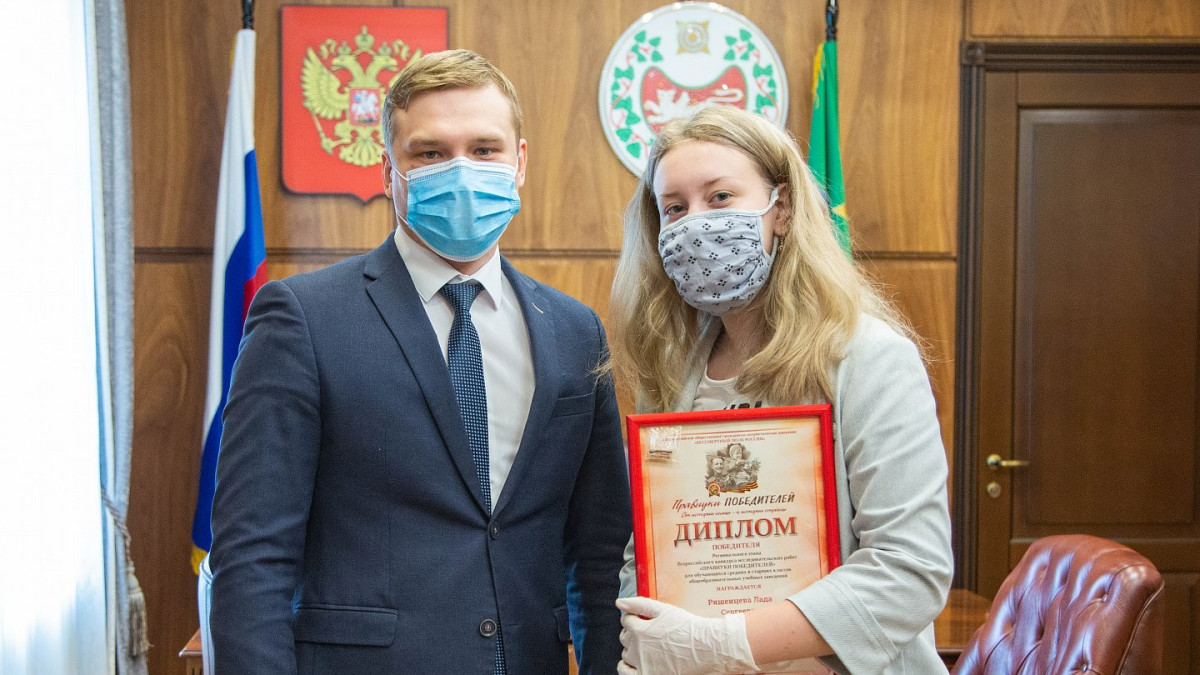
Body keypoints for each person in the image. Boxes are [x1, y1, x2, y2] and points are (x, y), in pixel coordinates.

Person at [209, 49, 631, 675]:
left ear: (520, 162)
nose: (461, 169)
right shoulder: (302, 318)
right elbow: (252, 556)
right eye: (430, 153)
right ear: (389, 171)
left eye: (484, 149)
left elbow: (598, 554)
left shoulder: (574, 330)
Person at [608, 105, 952, 675]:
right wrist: (648, 633)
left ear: (782, 209)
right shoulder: (673, 372)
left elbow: (910, 570)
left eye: (720, 197)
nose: (696, 223)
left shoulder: (870, 358)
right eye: (675, 208)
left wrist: (722, 644)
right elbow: (645, 549)